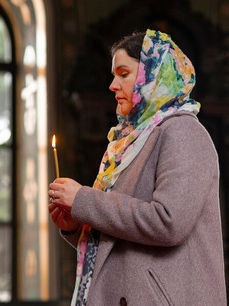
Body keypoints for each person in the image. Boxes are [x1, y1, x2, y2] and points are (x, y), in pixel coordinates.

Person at [48, 29, 227, 305]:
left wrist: (84, 199)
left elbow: (168, 222)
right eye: (113, 75)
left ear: (153, 76)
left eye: (123, 73)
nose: (112, 85)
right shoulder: (128, 142)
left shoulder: (182, 131)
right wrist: (78, 224)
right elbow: (124, 239)